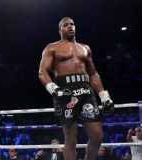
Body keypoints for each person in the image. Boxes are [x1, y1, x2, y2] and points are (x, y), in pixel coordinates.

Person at [38, 17, 114, 160]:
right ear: (59, 29)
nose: (70, 27)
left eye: (72, 24)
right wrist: (55, 90)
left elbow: (93, 74)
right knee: (71, 139)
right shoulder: (52, 47)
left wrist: (105, 97)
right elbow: (42, 72)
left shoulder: (85, 48)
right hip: (65, 91)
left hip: (85, 90)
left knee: (97, 136)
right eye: (65, 25)